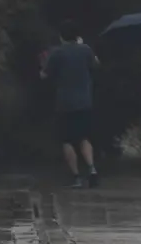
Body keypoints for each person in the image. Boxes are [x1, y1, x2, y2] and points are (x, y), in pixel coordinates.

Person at [41, 23, 100, 188]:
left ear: (61, 36)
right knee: (84, 137)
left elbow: (44, 75)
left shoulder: (57, 53)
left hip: (65, 103)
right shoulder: (86, 49)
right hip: (84, 101)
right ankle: (92, 168)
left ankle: (76, 176)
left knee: (67, 140)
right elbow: (96, 64)